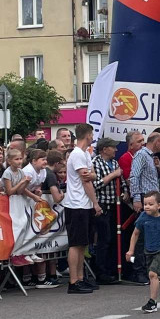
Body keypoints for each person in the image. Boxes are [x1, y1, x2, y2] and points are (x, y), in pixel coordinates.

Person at [62, 123, 102, 295]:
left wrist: (92, 175)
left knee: (83, 243)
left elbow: (92, 174)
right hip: (76, 203)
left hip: (83, 204)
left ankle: (80, 277)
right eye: (91, 134)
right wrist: (95, 202)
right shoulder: (77, 154)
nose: (92, 137)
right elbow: (86, 180)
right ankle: (73, 280)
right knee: (76, 243)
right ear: (88, 135)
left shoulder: (85, 153)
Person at [125, 191, 160, 313]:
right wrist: (131, 250)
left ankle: (152, 302)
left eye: (150, 204)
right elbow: (135, 233)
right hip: (148, 250)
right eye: (145, 204)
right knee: (154, 273)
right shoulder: (143, 217)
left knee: (152, 274)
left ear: (158, 206)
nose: (147, 207)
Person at [90, 138, 122, 284]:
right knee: (103, 239)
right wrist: (112, 175)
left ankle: (110, 269)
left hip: (113, 204)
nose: (115, 150)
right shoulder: (95, 163)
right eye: (112, 147)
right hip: (101, 204)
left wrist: (125, 191)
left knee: (111, 238)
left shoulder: (114, 163)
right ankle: (100, 271)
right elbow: (95, 184)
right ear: (104, 149)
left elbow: (120, 180)